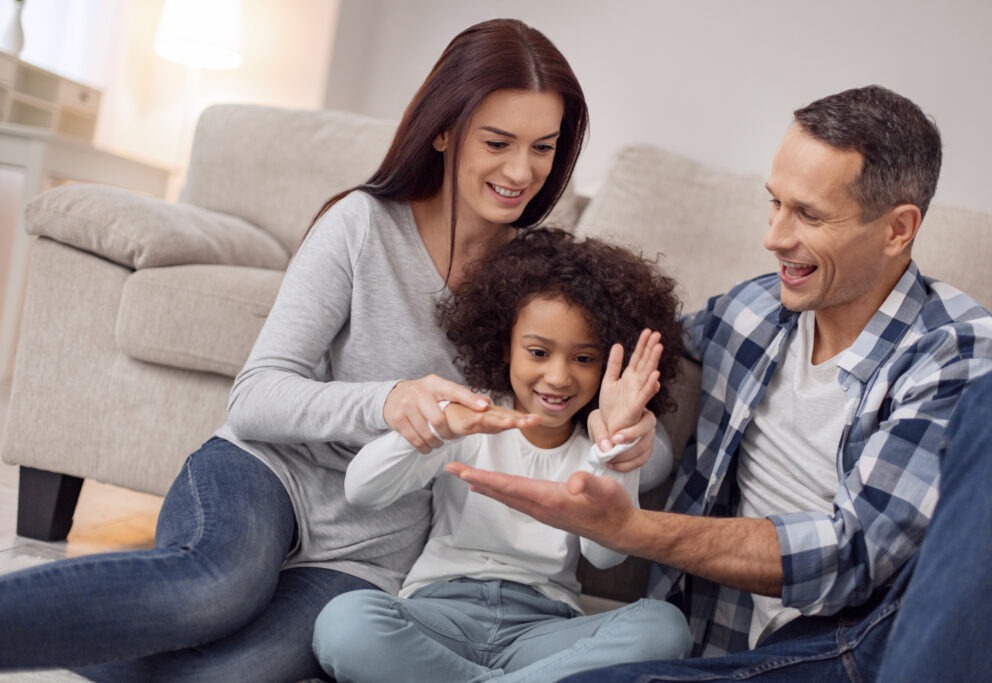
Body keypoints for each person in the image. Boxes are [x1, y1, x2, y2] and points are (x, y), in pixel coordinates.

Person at [0, 19, 659, 682]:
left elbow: (593, 419)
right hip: (270, 473)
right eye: (498, 142)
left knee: (231, 675)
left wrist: (634, 436)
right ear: (442, 131)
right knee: (216, 587)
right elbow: (256, 395)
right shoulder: (363, 225)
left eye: (542, 147)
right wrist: (389, 401)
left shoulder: (538, 280)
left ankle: (83, 622)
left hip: (376, 545)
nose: (521, 171)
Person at [450, 84, 992, 681]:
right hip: (736, 657)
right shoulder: (752, 312)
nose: (774, 236)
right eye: (774, 203)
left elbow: (853, 554)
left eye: (808, 214)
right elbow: (604, 343)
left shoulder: (955, 354)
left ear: (898, 229)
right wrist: (612, 415)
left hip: (861, 647)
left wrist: (633, 529)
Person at [311, 227, 692, 682]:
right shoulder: (469, 419)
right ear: (504, 345)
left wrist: (611, 447)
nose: (557, 377)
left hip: (545, 631)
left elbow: (605, 557)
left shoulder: (598, 448)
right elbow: (361, 490)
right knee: (344, 622)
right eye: (537, 352)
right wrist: (437, 426)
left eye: (584, 359)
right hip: (440, 615)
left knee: (664, 627)